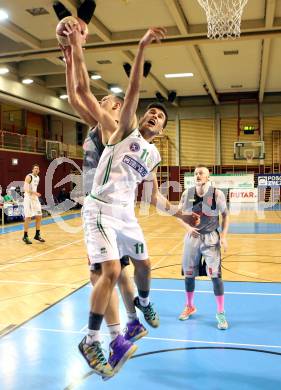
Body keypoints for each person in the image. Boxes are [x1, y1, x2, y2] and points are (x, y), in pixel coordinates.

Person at [64, 23, 199, 377]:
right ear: (139, 116)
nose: (154, 115)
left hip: (126, 216)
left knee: (142, 265)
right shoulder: (123, 128)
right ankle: (92, 339)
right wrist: (141, 46)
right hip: (100, 209)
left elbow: (154, 197)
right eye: (150, 112)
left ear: (164, 130)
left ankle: (138, 312)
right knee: (108, 272)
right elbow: (130, 88)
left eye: (161, 117)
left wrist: (181, 215)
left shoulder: (152, 156)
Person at [61, 28, 149, 377]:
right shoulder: (99, 126)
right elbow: (75, 95)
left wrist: (76, 49)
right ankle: (116, 334)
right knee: (106, 274)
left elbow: (81, 92)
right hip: (100, 208)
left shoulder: (114, 124)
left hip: (112, 209)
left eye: (110, 100)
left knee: (109, 274)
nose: (104, 102)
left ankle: (118, 331)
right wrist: (70, 57)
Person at [178, 165, 229, 330]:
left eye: (201, 173)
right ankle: (189, 306)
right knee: (189, 275)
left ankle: (220, 313)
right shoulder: (188, 193)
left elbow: (225, 215)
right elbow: (179, 214)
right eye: (195, 173)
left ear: (208, 177)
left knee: (216, 276)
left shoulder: (217, 194)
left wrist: (224, 236)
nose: (197, 175)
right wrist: (187, 228)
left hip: (211, 239)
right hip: (192, 238)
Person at [22, 164, 45, 244]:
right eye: (35, 168)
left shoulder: (38, 177)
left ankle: (37, 235)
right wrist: (35, 193)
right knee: (28, 217)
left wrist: (35, 194)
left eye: (37, 169)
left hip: (34, 198)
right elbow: (25, 189)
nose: (36, 170)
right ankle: (25, 236)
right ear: (32, 170)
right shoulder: (29, 177)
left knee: (39, 216)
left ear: (39, 171)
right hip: (28, 198)